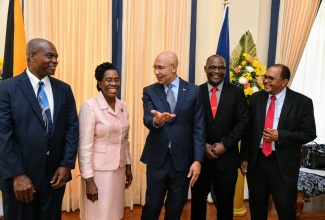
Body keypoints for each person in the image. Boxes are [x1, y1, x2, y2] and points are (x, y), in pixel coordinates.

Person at [0, 38, 79, 219]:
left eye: (56, 57)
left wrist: (66, 164)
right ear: (32, 56)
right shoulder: (6, 89)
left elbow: (72, 129)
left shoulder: (64, 89)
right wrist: (17, 174)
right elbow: (3, 135)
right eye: (50, 56)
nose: (55, 61)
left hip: (54, 180)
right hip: (20, 181)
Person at [240, 64, 317, 220]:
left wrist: (281, 135)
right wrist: (245, 157)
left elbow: (309, 133)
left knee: (285, 207)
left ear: (284, 82)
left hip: (283, 163)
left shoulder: (302, 102)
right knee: (256, 206)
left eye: (271, 78)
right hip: (258, 161)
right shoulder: (256, 98)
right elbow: (249, 131)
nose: (266, 81)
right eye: (265, 77)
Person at [140, 51, 205, 219]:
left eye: (160, 68)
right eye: (155, 68)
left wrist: (197, 160)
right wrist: (158, 121)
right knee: (152, 205)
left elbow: (199, 127)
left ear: (174, 67)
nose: (156, 72)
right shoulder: (150, 91)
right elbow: (148, 119)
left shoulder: (193, 91)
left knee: (176, 207)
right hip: (157, 159)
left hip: (183, 160)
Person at [191, 54, 249, 220]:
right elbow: (189, 123)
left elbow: (243, 122)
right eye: (212, 67)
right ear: (205, 69)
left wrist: (225, 144)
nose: (216, 71)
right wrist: (202, 145)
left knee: (225, 205)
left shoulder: (237, 92)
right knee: (197, 204)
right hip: (200, 160)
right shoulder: (195, 92)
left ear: (225, 70)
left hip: (227, 159)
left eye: (220, 68)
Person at [78, 62, 132, 220]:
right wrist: (89, 180)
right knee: (98, 213)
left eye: (117, 79)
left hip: (118, 169)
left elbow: (125, 139)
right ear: (99, 83)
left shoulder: (123, 106)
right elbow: (84, 146)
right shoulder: (89, 106)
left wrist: (128, 165)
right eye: (108, 80)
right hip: (98, 173)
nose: (114, 83)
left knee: (114, 213)